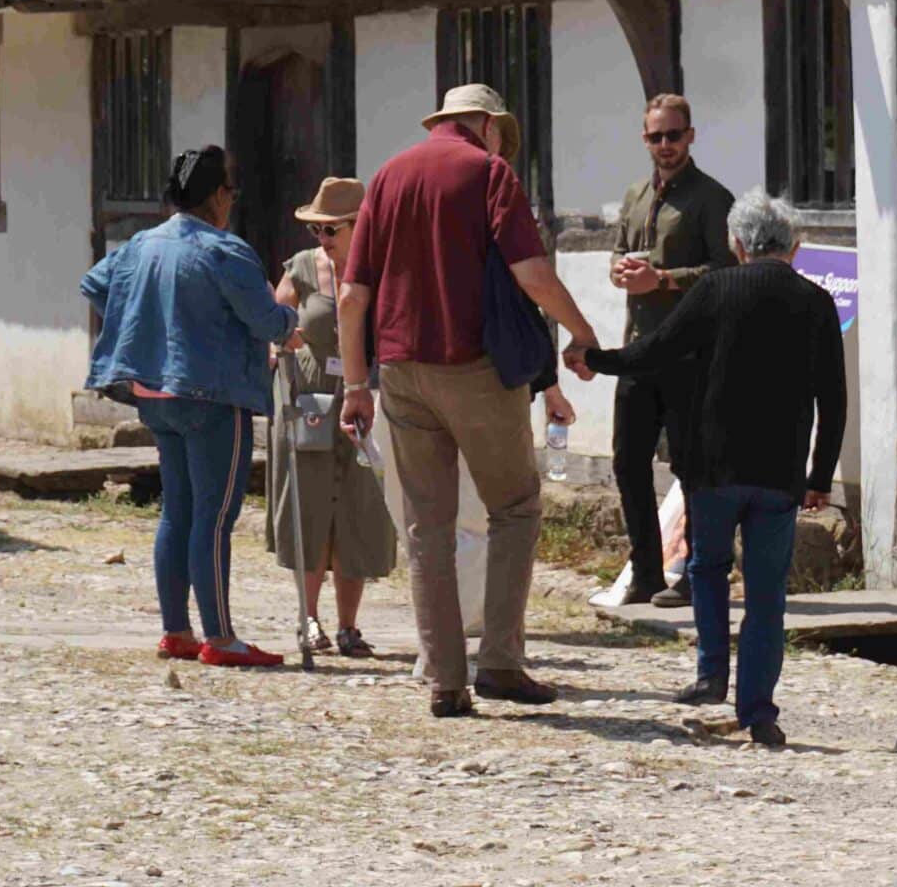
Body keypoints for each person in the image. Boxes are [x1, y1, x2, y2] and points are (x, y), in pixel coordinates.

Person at [337, 84, 598, 718]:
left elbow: (351, 296)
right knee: (514, 507)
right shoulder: (489, 172)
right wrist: (582, 332)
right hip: (474, 366)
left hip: (399, 369)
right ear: (484, 124)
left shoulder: (388, 176)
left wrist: (353, 383)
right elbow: (532, 274)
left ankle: (445, 680)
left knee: (427, 527)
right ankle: (502, 662)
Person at [573, 190, 846, 746]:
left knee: (707, 570)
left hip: (712, 466)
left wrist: (595, 360)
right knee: (768, 593)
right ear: (794, 245)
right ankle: (759, 710)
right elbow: (833, 398)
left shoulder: (715, 289)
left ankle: (710, 676)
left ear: (737, 244)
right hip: (779, 471)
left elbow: (657, 350)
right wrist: (820, 478)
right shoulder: (816, 302)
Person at [81, 145, 298, 669]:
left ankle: (176, 631)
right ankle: (220, 638)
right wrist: (292, 325)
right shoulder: (226, 251)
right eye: (232, 192)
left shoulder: (139, 244)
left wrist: (147, 324)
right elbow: (268, 322)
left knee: (176, 511)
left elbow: (95, 286)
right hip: (212, 397)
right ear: (219, 196)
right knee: (215, 516)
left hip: (155, 395)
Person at [608, 93, 734, 607]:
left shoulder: (711, 198)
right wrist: (621, 268)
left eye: (674, 135)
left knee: (692, 465)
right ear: (645, 140)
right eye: (656, 136)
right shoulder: (636, 193)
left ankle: (699, 571)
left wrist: (661, 279)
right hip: (639, 349)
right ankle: (646, 571)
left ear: (690, 136)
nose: (665, 145)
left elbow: (724, 270)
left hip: (689, 354)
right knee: (628, 462)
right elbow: (619, 248)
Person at [267, 177, 396, 658]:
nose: (322, 238)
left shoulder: (383, 270)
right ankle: (309, 619)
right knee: (312, 506)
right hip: (314, 399)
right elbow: (276, 319)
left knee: (360, 508)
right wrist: (279, 345)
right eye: (316, 229)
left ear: (361, 227)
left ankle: (349, 626)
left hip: (368, 395)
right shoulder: (301, 268)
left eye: (332, 229)